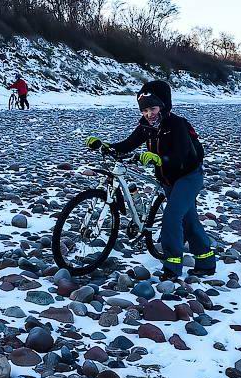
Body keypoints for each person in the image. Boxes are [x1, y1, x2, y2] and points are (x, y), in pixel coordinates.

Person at [85, 80, 215, 280]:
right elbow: (128, 144)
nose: (148, 114)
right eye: (144, 110)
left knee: (172, 218)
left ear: (163, 106)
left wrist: (158, 159)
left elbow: (181, 156)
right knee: (189, 219)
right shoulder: (146, 126)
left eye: (152, 108)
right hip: (168, 179)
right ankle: (206, 262)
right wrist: (104, 145)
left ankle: (172, 267)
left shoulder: (177, 124)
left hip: (189, 176)